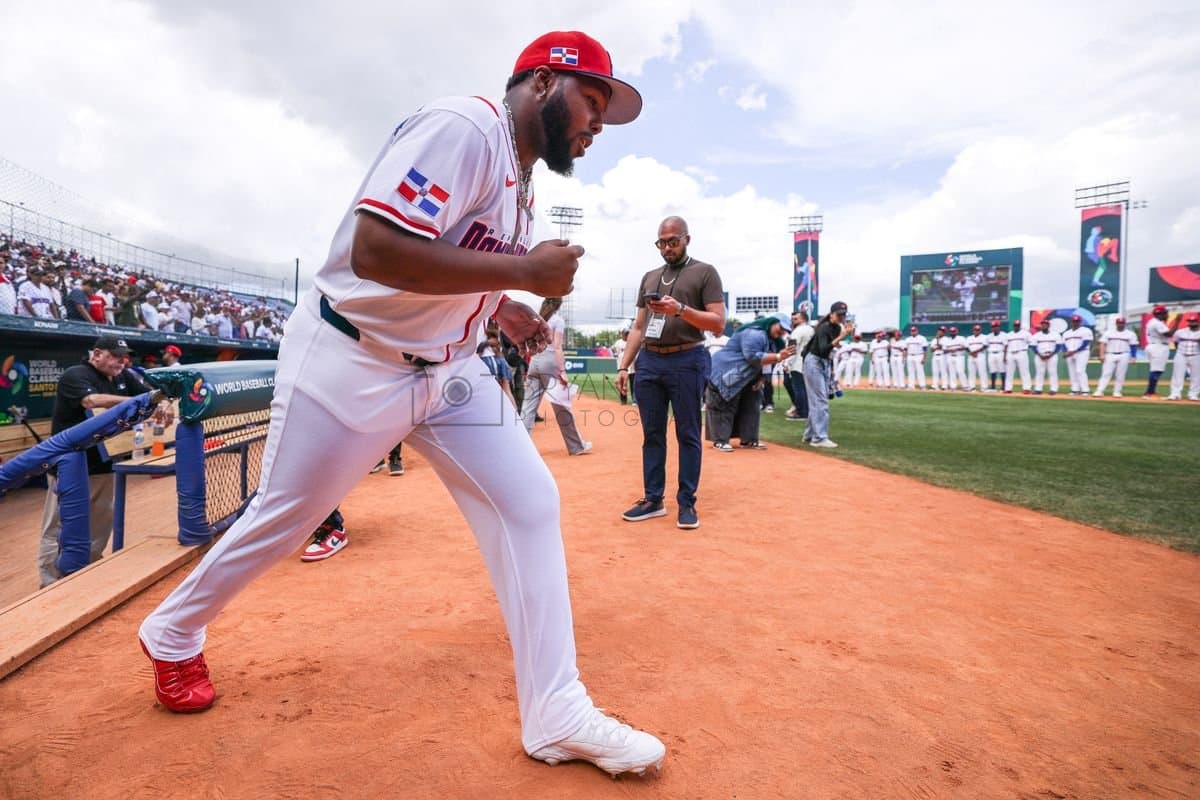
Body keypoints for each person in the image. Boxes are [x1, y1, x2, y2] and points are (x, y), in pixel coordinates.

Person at [137, 31, 666, 777]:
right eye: (593, 102)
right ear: (545, 83)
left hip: (449, 373)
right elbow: (376, 251)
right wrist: (521, 268)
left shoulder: (521, 177)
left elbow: (451, 261)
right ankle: (173, 629)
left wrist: (497, 307)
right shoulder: (464, 128)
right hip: (348, 359)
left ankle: (556, 712)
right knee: (283, 521)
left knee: (530, 503)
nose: (597, 126)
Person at [616, 216, 726, 530]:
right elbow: (639, 326)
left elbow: (718, 323)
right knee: (652, 435)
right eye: (661, 243)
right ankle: (653, 500)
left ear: (687, 240)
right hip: (650, 361)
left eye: (672, 242)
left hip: (687, 358)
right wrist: (624, 365)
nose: (667, 248)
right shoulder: (650, 277)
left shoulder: (704, 272)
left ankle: (687, 503)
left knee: (688, 434)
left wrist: (680, 310)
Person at [40, 335, 174, 586]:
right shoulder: (76, 374)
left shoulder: (125, 376)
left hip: (104, 463)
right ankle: (49, 581)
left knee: (100, 523)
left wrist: (163, 402)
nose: (120, 362)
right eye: (114, 356)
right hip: (69, 465)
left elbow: (153, 395)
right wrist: (140, 402)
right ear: (97, 354)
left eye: (123, 357)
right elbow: (91, 401)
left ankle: (86, 572)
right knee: (58, 527)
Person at [706, 314, 794, 454]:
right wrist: (777, 356)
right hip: (727, 371)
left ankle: (749, 439)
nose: (782, 332)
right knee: (724, 405)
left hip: (748, 376)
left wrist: (763, 379)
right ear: (772, 323)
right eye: (781, 327)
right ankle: (720, 441)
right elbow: (751, 356)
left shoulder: (774, 341)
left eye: (785, 330)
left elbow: (768, 362)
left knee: (752, 405)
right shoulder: (754, 333)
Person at [520, 297, 592, 455]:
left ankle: (520, 448)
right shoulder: (558, 320)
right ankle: (576, 446)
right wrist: (563, 371)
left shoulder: (536, 319)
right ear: (559, 304)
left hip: (535, 361)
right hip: (550, 360)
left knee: (528, 407)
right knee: (561, 406)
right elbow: (557, 347)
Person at [801, 301, 853, 448]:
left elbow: (829, 348)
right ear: (832, 314)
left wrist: (841, 337)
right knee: (820, 401)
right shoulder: (824, 328)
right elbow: (824, 348)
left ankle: (809, 435)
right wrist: (841, 337)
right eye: (839, 314)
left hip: (822, 363)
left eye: (843, 315)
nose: (842, 317)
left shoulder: (837, 328)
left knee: (817, 400)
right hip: (814, 362)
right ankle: (819, 438)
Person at [1092, 317, 1138, 397]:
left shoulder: (1130, 334)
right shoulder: (1109, 332)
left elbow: (1133, 345)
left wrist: (1133, 357)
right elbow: (1103, 344)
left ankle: (1117, 391)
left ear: (1124, 324)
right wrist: (1101, 355)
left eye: (1122, 323)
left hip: (1124, 354)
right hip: (1110, 354)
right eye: (1119, 323)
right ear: (1116, 324)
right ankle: (1100, 390)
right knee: (1106, 373)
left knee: (1120, 374)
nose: (1120, 324)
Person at [1142, 305, 1180, 398]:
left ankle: (1150, 391)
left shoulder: (1153, 321)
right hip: (1158, 347)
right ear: (1160, 314)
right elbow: (1169, 334)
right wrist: (1177, 322)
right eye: (1165, 313)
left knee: (1155, 370)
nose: (1167, 315)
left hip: (1153, 345)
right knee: (1156, 370)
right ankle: (1150, 392)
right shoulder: (1157, 323)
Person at [784, 310, 813, 419]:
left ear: (803, 319)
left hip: (798, 363)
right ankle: (806, 411)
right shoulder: (811, 330)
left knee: (799, 389)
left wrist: (787, 363)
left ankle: (801, 412)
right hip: (809, 363)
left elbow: (792, 348)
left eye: (796, 319)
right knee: (805, 389)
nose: (793, 320)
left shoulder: (798, 331)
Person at [479, 334, 519, 409]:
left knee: (492, 392)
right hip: (498, 357)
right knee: (506, 390)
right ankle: (514, 417)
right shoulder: (495, 325)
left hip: (489, 359)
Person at [1167, 312, 1200, 401]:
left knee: (1196, 376)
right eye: (1190, 321)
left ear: (1198, 322)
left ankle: (1193, 394)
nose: (1191, 323)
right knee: (1177, 375)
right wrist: (1179, 352)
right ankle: (1175, 394)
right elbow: (1176, 342)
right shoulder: (1180, 332)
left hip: (1196, 355)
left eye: (1194, 321)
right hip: (1181, 354)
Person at [1062, 314, 1094, 396]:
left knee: (1080, 371)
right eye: (1074, 321)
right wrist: (1065, 352)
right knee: (1072, 372)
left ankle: (1085, 390)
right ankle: (1074, 389)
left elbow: (1086, 343)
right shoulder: (1066, 333)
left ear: (1080, 322)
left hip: (1082, 352)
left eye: (1077, 321)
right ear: (1071, 322)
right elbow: (1063, 344)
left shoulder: (1086, 330)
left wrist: (1073, 351)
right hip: (1070, 353)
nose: (1075, 323)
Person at [1030, 318, 1063, 395]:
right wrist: (1039, 355)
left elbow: (1058, 346)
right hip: (1040, 355)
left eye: (1045, 324)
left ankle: (1053, 389)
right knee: (1039, 372)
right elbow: (1033, 346)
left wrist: (1051, 354)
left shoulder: (1055, 334)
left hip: (1052, 355)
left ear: (1048, 325)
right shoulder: (1036, 335)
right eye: (1043, 324)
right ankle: (1038, 389)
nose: (1044, 325)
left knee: (1052, 372)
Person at [1003, 320, 1032, 394]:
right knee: (1009, 372)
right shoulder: (1008, 334)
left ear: (1020, 326)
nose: (1016, 326)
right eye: (1015, 325)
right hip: (1010, 353)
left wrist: (1026, 348)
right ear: (1013, 326)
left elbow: (1031, 342)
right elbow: (1006, 345)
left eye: (1018, 325)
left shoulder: (1026, 334)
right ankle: (1008, 388)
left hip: (1021, 352)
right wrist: (1004, 356)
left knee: (1024, 371)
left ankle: (1027, 388)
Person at [984, 320, 1007, 392]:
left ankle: (1003, 387)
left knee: (1002, 370)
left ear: (999, 327)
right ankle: (993, 387)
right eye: (993, 326)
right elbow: (985, 345)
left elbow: (1006, 346)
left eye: (996, 326)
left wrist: (1005, 356)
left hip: (1000, 353)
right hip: (991, 354)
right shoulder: (988, 336)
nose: (994, 328)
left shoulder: (1004, 335)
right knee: (992, 370)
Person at [902, 325, 928, 389]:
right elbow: (905, 349)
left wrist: (924, 358)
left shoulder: (922, 338)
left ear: (917, 331)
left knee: (920, 371)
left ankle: (922, 385)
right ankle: (911, 385)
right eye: (912, 331)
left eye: (914, 331)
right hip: (910, 356)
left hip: (919, 355)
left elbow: (925, 349)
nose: (913, 332)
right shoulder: (908, 339)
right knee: (910, 372)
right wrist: (904, 358)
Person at [964, 324, 988, 392]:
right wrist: (971, 353)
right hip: (971, 356)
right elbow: (966, 347)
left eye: (978, 330)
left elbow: (985, 346)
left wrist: (975, 352)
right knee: (971, 372)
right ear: (973, 330)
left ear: (980, 330)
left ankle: (984, 387)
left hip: (980, 355)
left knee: (982, 372)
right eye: (975, 330)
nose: (976, 331)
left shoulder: (984, 337)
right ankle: (972, 387)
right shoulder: (969, 338)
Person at [944, 326, 967, 390]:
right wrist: (950, 350)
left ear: (957, 332)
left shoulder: (961, 338)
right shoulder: (947, 340)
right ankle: (953, 386)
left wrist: (957, 349)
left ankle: (965, 386)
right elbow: (944, 350)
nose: (952, 333)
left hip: (959, 356)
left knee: (960, 371)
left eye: (954, 331)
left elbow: (965, 347)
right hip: (950, 356)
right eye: (951, 331)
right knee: (952, 372)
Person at [930, 326, 947, 390]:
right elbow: (931, 350)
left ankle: (944, 386)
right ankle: (934, 386)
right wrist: (938, 346)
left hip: (942, 356)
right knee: (935, 371)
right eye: (939, 330)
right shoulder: (934, 340)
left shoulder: (946, 339)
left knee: (943, 371)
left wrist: (937, 341)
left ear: (944, 332)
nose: (939, 332)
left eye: (942, 331)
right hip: (935, 356)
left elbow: (943, 348)